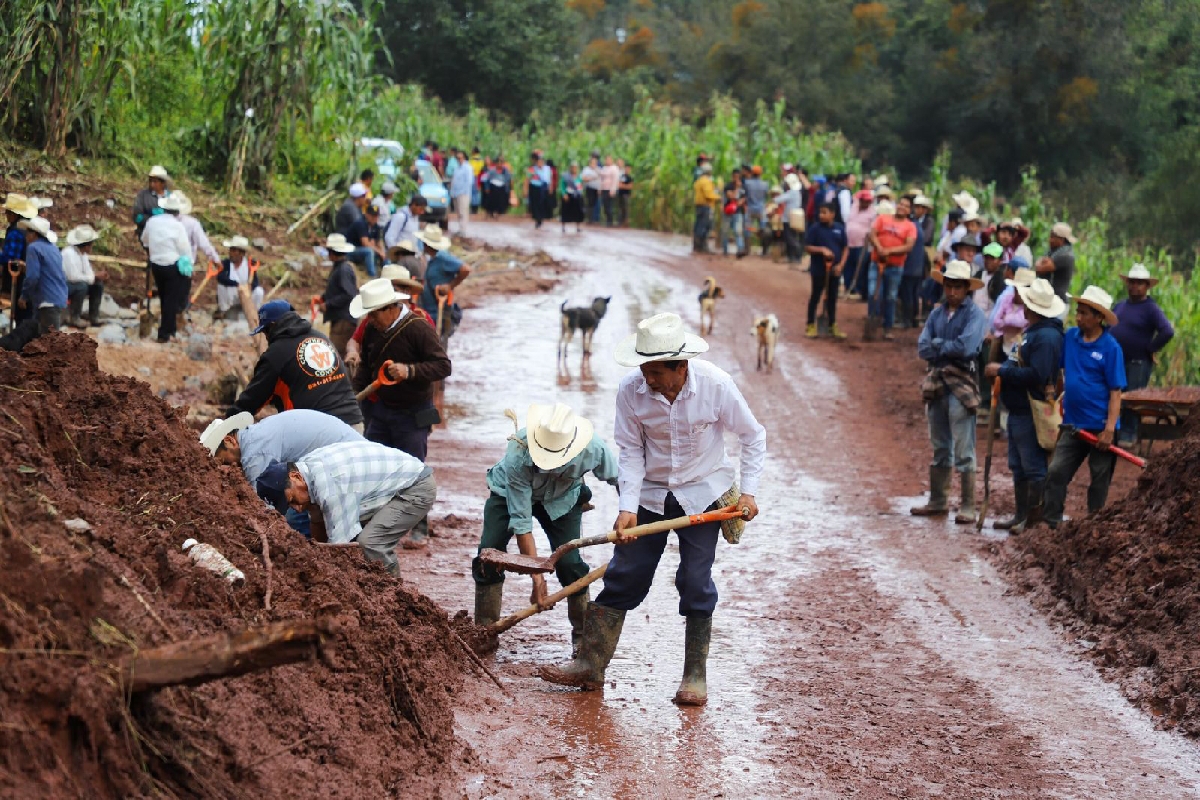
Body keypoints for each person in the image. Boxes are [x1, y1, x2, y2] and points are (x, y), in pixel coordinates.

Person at [540, 312, 765, 706]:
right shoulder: (631, 391)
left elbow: (752, 435)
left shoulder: (715, 386)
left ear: (681, 366)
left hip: (702, 493)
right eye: (644, 369)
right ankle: (590, 664)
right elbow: (630, 452)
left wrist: (748, 493)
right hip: (651, 496)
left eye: (657, 371)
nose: (648, 378)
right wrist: (627, 507)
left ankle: (695, 675)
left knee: (695, 581)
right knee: (626, 575)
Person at [473, 403, 619, 654]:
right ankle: (485, 631)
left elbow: (621, 480)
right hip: (507, 494)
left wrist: (631, 513)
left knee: (570, 564)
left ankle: (582, 639)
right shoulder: (518, 454)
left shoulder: (593, 448)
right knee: (489, 552)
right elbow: (522, 523)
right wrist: (537, 579)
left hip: (562, 500)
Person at [256, 442, 436, 576]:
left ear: (295, 476)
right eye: (289, 506)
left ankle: (395, 598)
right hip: (387, 486)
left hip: (415, 487)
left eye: (292, 500)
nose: (296, 508)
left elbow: (342, 549)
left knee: (371, 544)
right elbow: (319, 529)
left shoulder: (330, 487)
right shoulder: (307, 472)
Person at [984, 279, 1065, 533]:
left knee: (1033, 467)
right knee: (1018, 466)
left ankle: (1032, 519)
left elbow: (1037, 376)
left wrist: (1003, 372)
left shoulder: (1046, 337)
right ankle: (1020, 515)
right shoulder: (1034, 332)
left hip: (1032, 410)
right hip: (1019, 409)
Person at [201, 409, 365, 536]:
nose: (228, 467)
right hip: (347, 453)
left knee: (292, 520)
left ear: (230, 440)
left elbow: (261, 507)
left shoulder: (255, 452)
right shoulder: (256, 436)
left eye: (224, 460)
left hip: (351, 463)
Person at [1041, 287, 1127, 529]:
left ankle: (1093, 528)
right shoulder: (1071, 338)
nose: (1078, 317)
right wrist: (1052, 389)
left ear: (1098, 317)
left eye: (1084, 313)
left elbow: (1115, 392)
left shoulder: (1111, 348)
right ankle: (1051, 522)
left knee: (1099, 480)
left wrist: (1109, 428)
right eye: (1078, 312)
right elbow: (1058, 369)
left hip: (1100, 429)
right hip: (1073, 426)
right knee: (1056, 471)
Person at [911, 260, 988, 523]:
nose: (952, 291)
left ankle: (968, 505)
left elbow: (967, 349)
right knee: (940, 445)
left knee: (964, 448)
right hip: (938, 381)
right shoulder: (936, 314)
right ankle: (938, 500)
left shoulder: (975, 315)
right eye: (949, 286)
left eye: (957, 287)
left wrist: (938, 344)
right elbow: (922, 347)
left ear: (967, 288)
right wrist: (947, 346)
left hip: (961, 381)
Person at [233, 299, 364, 429]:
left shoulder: (276, 354)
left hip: (320, 432)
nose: (266, 338)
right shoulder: (321, 337)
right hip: (354, 423)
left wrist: (225, 425)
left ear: (272, 326)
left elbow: (251, 400)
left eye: (265, 331)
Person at [1110, 263, 1174, 444]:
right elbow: (1109, 326)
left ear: (1147, 286)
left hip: (1138, 361)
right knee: (1115, 395)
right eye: (1131, 282)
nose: (1134, 286)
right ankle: (1114, 431)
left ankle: (1128, 436)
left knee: (1132, 398)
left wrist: (1150, 348)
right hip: (1116, 360)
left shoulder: (1150, 308)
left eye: (1139, 283)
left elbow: (1167, 331)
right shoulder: (1121, 305)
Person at [140, 194, 192, 343]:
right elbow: (185, 250)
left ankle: (170, 328)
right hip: (171, 265)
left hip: (156, 264)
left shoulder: (152, 222)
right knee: (170, 299)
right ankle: (165, 332)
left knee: (164, 296)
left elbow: (145, 240)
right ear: (176, 212)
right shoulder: (178, 226)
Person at [868, 197, 917, 339]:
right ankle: (873, 321)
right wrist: (879, 248)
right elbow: (872, 234)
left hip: (895, 267)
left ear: (909, 211)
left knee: (890, 297)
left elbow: (909, 246)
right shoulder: (883, 218)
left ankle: (887, 327)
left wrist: (889, 251)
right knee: (873, 293)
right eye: (901, 204)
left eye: (906, 206)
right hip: (876, 264)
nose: (902, 207)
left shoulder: (910, 227)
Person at [415, 225, 470, 345]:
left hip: (439, 313)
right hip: (430, 312)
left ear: (426, 244)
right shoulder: (433, 259)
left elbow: (465, 269)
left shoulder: (443, 258)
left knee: (437, 347)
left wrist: (450, 286)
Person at [804, 203, 848, 339]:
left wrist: (841, 265)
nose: (821, 215)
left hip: (834, 270)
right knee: (815, 296)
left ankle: (832, 324)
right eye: (820, 212)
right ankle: (810, 324)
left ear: (832, 214)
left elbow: (845, 248)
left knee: (832, 298)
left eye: (824, 212)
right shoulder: (815, 229)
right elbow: (807, 247)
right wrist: (822, 250)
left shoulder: (840, 229)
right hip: (819, 270)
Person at [16, 216, 67, 334]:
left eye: (28, 231)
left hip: (46, 300)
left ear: (34, 234)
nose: (26, 235)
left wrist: (24, 296)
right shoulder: (53, 248)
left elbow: (33, 277)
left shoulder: (33, 248)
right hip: (57, 298)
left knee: (48, 342)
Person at [319, 233, 358, 357]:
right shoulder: (339, 268)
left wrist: (328, 304)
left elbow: (348, 294)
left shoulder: (343, 270)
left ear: (333, 252)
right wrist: (324, 297)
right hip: (340, 319)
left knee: (337, 355)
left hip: (344, 320)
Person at [61, 225, 105, 329]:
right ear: (86, 246)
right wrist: (93, 277)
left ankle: (93, 317)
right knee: (81, 286)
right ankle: (74, 317)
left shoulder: (83, 255)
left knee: (97, 285)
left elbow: (88, 272)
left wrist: (96, 277)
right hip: (64, 285)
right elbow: (73, 277)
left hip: (77, 283)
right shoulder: (68, 253)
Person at [338, 182, 379, 278]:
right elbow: (362, 232)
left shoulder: (356, 208)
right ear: (359, 197)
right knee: (369, 251)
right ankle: (372, 277)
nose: (366, 199)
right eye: (364, 196)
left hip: (352, 245)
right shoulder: (350, 208)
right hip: (345, 247)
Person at [216, 236, 263, 319]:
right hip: (232, 295)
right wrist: (237, 284)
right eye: (231, 250)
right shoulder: (226, 263)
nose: (231, 253)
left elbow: (255, 282)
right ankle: (223, 311)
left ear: (241, 253)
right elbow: (220, 277)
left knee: (259, 291)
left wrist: (249, 287)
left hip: (246, 295)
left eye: (234, 251)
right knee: (221, 286)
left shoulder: (250, 264)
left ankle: (254, 312)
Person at [1, 194, 35, 308]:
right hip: (28, 273)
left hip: (18, 277)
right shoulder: (29, 228)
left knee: (19, 310)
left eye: (8, 212)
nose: (6, 215)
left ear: (14, 214)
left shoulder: (16, 232)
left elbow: (10, 257)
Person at [844, 189, 876, 296]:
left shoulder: (872, 213)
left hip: (862, 244)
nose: (864, 203)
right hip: (849, 243)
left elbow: (873, 229)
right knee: (848, 265)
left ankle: (858, 289)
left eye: (867, 201)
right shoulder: (854, 207)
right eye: (862, 200)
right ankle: (848, 287)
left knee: (860, 267)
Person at [1037, 222, 1076, 302]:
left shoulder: (1065, 255)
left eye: (1053, 237)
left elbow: (1040, 268)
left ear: (1061, 239)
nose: (1050, 240)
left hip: (1057, 300)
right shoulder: (1055, 251)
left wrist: (1042, 261)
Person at [132, 165, 170, 237]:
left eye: (155, 182)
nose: (152, 184)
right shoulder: (143, 195)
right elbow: (137, 216)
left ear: (163, 183)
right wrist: (152, 220)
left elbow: (176, 217)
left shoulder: (171, 197)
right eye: (150, 181)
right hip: (147, 234)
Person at [774, 174, 804, 264]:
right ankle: (792, 257)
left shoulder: (792, 193)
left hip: (789, 218)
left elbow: (778, 200)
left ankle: (797, 256)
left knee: (790, 238)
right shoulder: (797, 192)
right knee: (792, 237)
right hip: (795, 217)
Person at [692, 163, 719, 254]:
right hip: (705, 206)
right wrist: (718, 197)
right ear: (709, 172)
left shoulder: (698, 181)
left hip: (699, 205)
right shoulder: (706, 181)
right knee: (704, 227)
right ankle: (702, 247)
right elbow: (708, 195)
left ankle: (696, 246)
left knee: (698, 226)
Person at [720, 168, 747, 258]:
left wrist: (740, 202)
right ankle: (725, 251)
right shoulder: (728, 186)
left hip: (738, 212)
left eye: (738, 176)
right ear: (732, 176)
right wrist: (737, 188)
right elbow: (731, 196)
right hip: (728, 211)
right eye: (735, 176)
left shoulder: (743, 187)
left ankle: (740, 249)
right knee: (725, 231)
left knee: (738, 231)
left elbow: (743, 198)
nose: (736, 178)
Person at [450, 149, 475, 235]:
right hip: (456, 193)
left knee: (463, 211)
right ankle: (460, 228)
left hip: (464, 193)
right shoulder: (457, 168)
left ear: (464, 158)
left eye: (460, 158)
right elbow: (454, 180)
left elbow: (469, 181)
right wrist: (452, 192)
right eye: (457, 158)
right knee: (458, 212)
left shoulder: (468, 168)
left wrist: (463, 191)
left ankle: (463, 230)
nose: (459, 159)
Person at [524, 153, 552, 229]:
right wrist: (525, 190)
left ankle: (540, 218)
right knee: (535, 204)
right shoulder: (532, 169)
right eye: (538, 161)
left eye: (541, 161)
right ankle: (537, 219)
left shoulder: (547, 169)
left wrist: (550, 188)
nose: (540, 163)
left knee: (542, 204)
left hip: (543, 188)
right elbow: (527, 180)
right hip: (534, 187)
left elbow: (549, 179)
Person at [560, 163, 585, 233]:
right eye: (573, 168)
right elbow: (562, 186)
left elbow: (581, 185)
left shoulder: (579, 176)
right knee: (565, 211)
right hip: (568, 195)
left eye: (575, 168)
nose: (574, 169)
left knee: (578, 211)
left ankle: (578, 226)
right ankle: (563, 226)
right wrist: (564, 194)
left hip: (577, 195)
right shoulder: (565, 176)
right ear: (570, 168)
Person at [600, 156, 621, 228]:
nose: (607, 161)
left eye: (609, 160)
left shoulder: (614, 168)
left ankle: (610, 221)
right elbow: (601, 179)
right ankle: (607, 219)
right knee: (605, 205)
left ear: (612, 160)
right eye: (606, 160)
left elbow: (615, 180)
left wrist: (613, 190)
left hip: (610, 189)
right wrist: (600, 188)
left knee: (609, 206)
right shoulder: (604, 168)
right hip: (604, 189)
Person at [581, 157, 602, 224]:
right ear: (590, 163)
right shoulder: (586, 169)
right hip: (589, 188)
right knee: (590, 203)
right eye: (592, 162)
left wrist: (599, 189)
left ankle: (594, 219)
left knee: (594, 204)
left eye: (595, 163)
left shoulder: (598, 169)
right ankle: (589, 219)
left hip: (596, 189)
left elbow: (600, 180)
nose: (594, 164)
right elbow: (583, 178)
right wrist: (592, 178)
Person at [617, 159, 634, 227]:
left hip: (626, 195)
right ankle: (620, 222)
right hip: (620, 194)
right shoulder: (622, 176)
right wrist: (626, 186)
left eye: (628, 168)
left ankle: (625, 222)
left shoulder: (630, 177)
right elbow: (619, 185)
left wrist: (624, 186)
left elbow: (630, 186)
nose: (627, 169)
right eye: (626, 168)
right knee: (621, 208)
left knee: (626, 208)